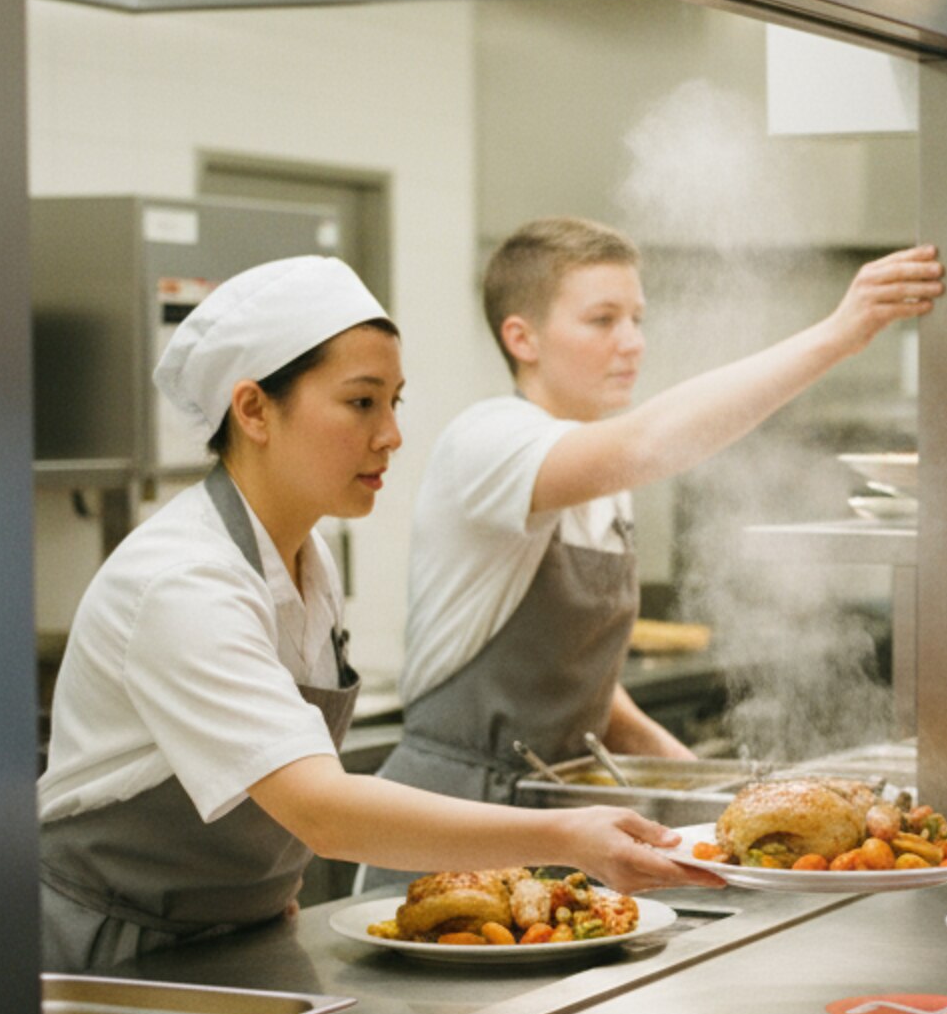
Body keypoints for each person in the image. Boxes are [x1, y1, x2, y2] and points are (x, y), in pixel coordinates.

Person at [38, 257, 720, 974]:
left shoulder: (309, 556)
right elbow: (323, 811)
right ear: (252, 409)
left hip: (238, 935)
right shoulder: (183, 581)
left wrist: (256, 887)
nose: (391, 434)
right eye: (362, 403)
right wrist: (567, 836)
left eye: (394, 401)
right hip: (106, 952)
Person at [373, 218, 943, 819]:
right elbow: (651, 441)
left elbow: (589, 697)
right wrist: (839, 334)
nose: (632, 341)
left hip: (554, 807)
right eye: (602, 320)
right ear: (523, 338)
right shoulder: (487, 441)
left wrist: (720, 798)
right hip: (448, 814)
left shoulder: (602, 483)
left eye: (637, 319)